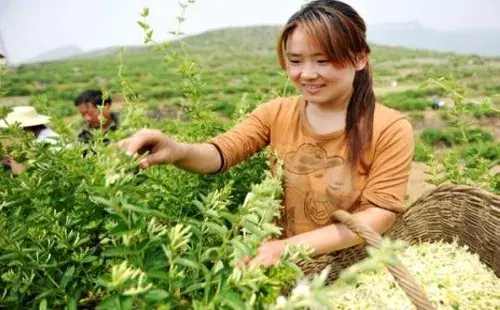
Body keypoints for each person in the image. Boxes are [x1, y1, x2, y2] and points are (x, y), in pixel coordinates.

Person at [117, 0, 414, 268]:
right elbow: (221, 152)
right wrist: (176, 151)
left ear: (360, 58)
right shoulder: (276, 113)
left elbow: (379, 216)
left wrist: (286, 247)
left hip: (351, 269)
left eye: (323, 61)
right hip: (282, 268)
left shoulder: (389, 127)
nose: (307, 74)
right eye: (295, 61)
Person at [1, 106, 60, 174]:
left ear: (28, 127)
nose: (21, 133)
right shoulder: (49, 134)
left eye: (20, 128)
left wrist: (14, 166)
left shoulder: (43, 143)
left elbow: (38, 172)